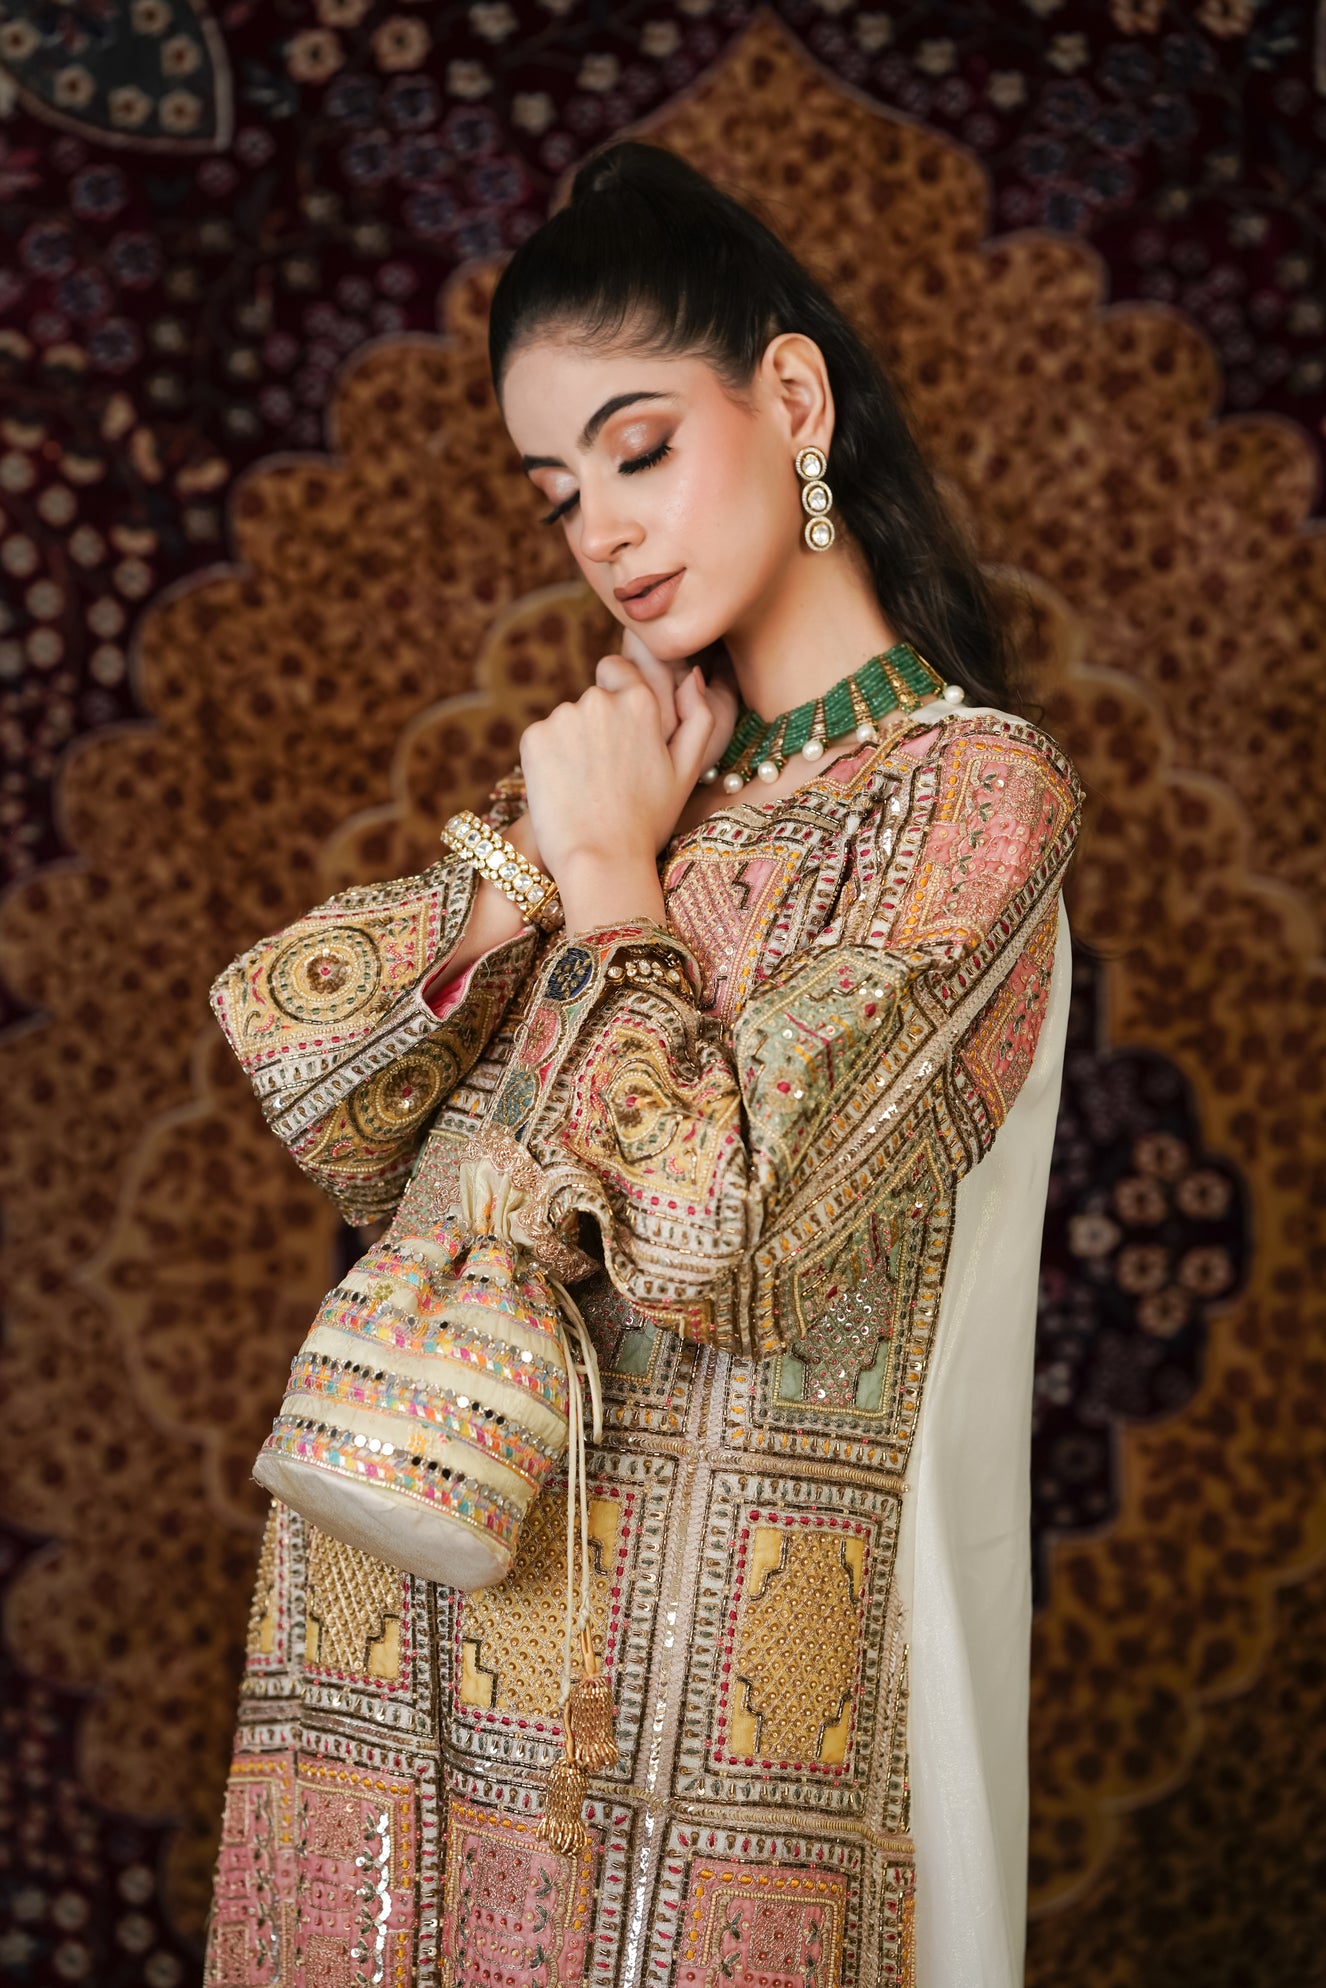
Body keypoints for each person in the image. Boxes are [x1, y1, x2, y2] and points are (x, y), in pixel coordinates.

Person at [204, 142, 1081, 1988]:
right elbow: (317, 1073)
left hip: (719, 1713)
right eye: (556, 492)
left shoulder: (968, 799)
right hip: (423, 1646)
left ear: (790, 400)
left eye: (638, 448)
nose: (599, 531)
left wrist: (609, 882)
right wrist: (540, 859)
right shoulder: (646, 788)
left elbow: (719, 1235)